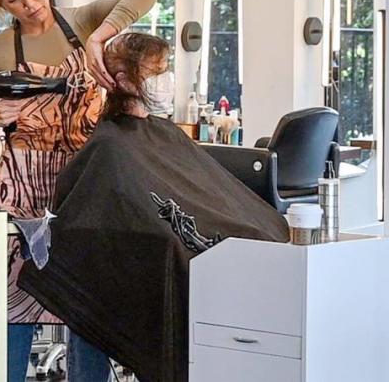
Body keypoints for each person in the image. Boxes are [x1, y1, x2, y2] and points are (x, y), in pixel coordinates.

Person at [18, 33, 288, 382]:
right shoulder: (110, 146)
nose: (166, 79)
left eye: (166, 69)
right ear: (124, 80)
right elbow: (103, 211)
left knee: (259, 234)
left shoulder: (162, 132)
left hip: (187, 246)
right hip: (138, 256)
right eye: (156, 71)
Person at [0, 0, 157, 382]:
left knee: (88, 318)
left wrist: (102, 36)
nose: (30, 3)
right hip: (22, 199)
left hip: (83, 194)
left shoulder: (84, 21)